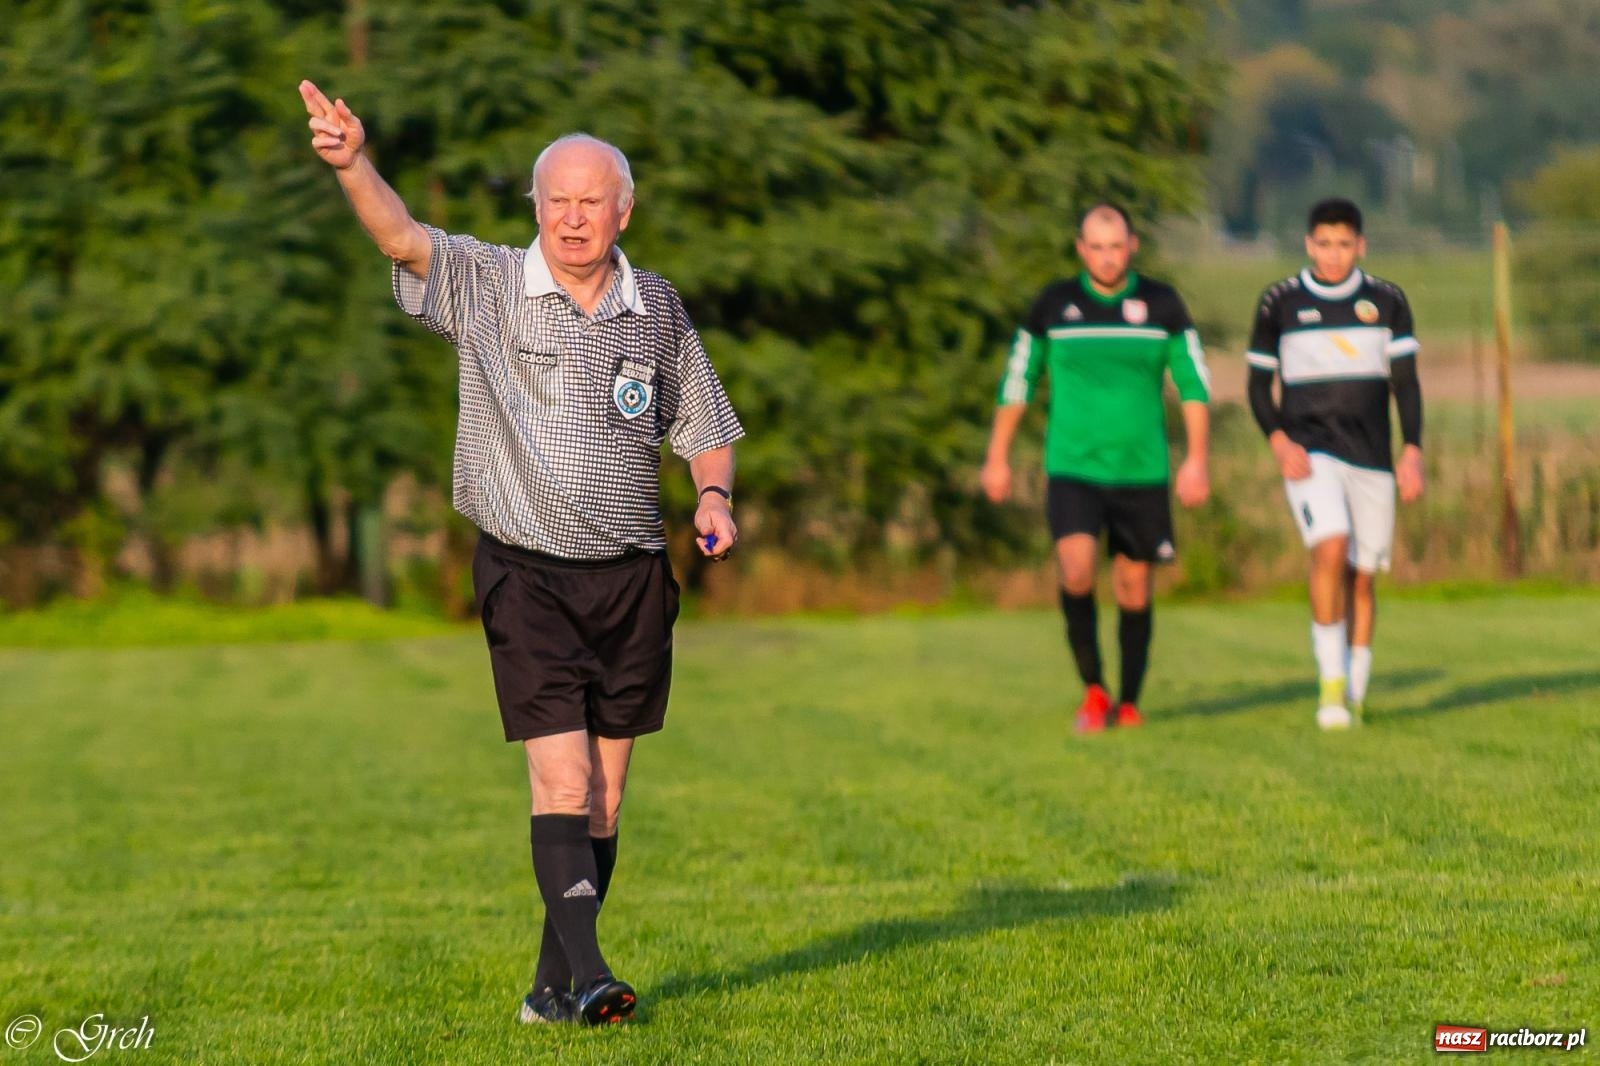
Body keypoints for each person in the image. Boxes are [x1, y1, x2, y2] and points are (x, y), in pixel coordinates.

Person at [298, 80, 744, 1025]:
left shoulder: (655, 308)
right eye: (556, 200)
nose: (572, 218)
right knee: (564, 779)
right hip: (526, 576)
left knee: (608, 800)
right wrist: (353, 166)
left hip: (631, 581)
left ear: (623, 211)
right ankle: (590, 981)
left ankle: (550, 990)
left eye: (591, 201)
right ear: (534, 208)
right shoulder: (492, 285)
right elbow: (401, 237)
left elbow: (704, 421)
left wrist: (713, 494)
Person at [982, 204, 1211, 732]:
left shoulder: (1162, 304)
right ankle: (1093, 690)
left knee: (1134, 586)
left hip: (1142, 469)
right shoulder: (1054, 306)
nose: (1107, 257)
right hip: (1073, 467)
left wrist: (1196, 460)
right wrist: (997, 457)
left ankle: (1129, 701)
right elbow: (1018, 380)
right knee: (1076, 568)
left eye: (1116, 246)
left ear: (1131, 246)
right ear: (1081, 249)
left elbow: (1193, 383)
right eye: (1096, 246)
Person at [1246, 197, 1424, 730]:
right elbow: (1258, 385)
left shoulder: (1387, 301)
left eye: (1344, 244)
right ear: (1308, 244)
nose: (1333, 254)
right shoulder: (1279, 301)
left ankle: (1357, 687)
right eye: (1323, 243)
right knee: (1331, 544)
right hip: (1308, 452)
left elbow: (1406, 384)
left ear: (1360, 245)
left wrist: (1412, 449)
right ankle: (1330, 689)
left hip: (1371, 457)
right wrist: (1278, 440)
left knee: (1362, 578)